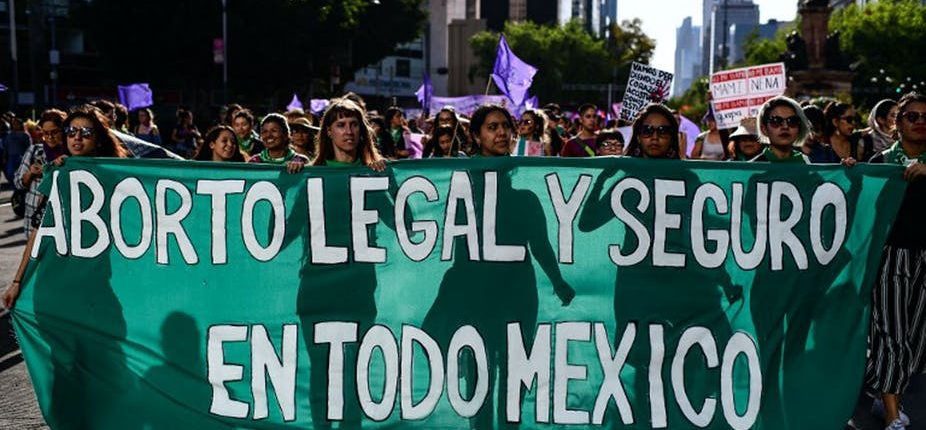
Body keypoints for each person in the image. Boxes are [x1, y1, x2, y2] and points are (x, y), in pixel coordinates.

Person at [865, 92, 926, 430]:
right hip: (891, 257)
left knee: (916, 338)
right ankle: (892, 416)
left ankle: (886, 393)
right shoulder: (881, 162)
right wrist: (850, 171)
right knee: (892, 334)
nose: (920, 122)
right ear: (897, 123)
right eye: (912, 116)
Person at [14, 109, 67, 238]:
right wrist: (30, 173)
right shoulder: (34, 151)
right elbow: (18, 183)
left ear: (64, 130)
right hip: (34, 219)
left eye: (54, 132)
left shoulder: (71, 155)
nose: (49, 137)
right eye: (45, 133)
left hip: (62, 220)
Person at [750, 96, 812, 163]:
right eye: (776, 121)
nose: (785, 126)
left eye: (792, 121)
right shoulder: (752, 167)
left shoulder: (806, 163)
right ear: (764, 129)